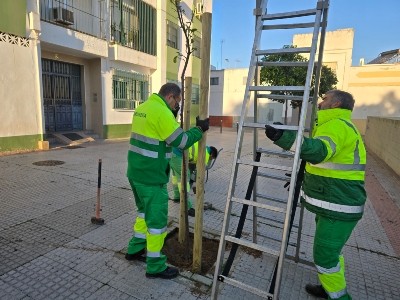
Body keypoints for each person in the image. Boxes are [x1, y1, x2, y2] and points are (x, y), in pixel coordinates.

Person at [265, 90, 366, 300]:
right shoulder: (334, 124)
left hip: (338, 205)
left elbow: (319, 151)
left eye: (325, 99)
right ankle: (328, 286)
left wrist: (284, 138)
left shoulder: (337, 125)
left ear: (336, 104)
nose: (321, 102)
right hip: (333, 201)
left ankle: (339, 296)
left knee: (325, 257)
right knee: (333, 252)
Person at [125, 83, 210, 279]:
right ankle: (155, 265)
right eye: (177, 102)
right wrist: (199, 129)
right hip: (151, 177)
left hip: (135, 173)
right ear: (170, 97)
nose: (177, 107)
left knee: (142, 214)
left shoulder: (143, 107)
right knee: (157, 223)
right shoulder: (161, 112)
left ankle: (135, 248)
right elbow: (180, 141)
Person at [170, 143, 218, 216]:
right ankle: (187, 207)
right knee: (185, 178)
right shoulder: (205, 154)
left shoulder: (203, 147)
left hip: (172, 152)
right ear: (212, 155)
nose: (210, 160)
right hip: (178, 155)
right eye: (212, 159)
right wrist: (196, 182)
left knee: (176, 178)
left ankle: (177, 197)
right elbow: (199, 173)